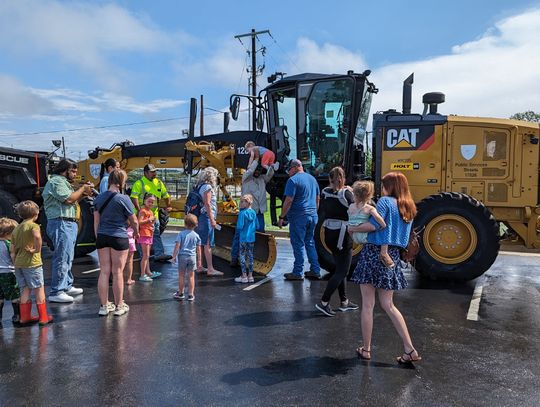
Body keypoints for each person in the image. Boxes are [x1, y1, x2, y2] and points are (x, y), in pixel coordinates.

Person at [349, 171, 421, 364]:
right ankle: (409, 348)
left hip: (374, 253)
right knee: (389, 305)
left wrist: (353, 228)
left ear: (391, 186)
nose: (381, 188)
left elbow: (375, 226)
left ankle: (366, 349)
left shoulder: (385, 203)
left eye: (383, 185)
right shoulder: (409, 207)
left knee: (368, 305)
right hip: (393, 256)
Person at [43, 158, 94, 303]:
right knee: (62, 257)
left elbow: (73, 199)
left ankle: (66, 285)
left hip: (68, 223)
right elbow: (69, 199)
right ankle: (57, 291)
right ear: (64, 170)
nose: (75, 174)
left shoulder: (64, 183)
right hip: (60, 223)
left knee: (68, 256)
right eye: (73, 171)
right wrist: (82, 189)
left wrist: (83, 193)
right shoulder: (56, 181)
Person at [94, 169, 139, 316]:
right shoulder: (123, 198)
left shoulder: (99, 198)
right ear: (121, 182)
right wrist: (136, 233)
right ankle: (119, 305)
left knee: (104, 271)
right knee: (117, 272)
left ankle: (104, 306)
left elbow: (96, 222)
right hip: (119, 236)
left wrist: (98, 237)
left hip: (102, 236)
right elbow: (134, 220)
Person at [314, 167, 359, 317]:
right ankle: (324, 302)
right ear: (343, 178)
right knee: (342, 271)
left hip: (328, 233)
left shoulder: (325, 191)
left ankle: (344, 302)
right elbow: (356, 208)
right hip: (343, 234)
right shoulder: (346, 193)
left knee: (339, 268)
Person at [278, 159, 322, 281]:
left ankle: (298, 272)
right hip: (312, 216)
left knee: (298, 244)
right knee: (310, 242)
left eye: (289, 169)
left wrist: (282, 216)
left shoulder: (293, 180)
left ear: (296, 167)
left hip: (299, 217)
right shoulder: (312, 179)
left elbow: (289, 200)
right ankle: (315, 270)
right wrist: (314, 212)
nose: (288, 172)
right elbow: (317, 198)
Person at [11, 201, 53, 326]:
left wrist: (15, 263)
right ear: (36, 213)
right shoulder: (34, 226)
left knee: (25, 289)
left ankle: (25, 317)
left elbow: (12, 251)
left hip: (19, 264)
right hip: (32, 263)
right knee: (39, 289)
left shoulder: (16, 229)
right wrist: (36, 249)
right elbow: (37, 237)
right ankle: (43, 317)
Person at [230, 158, 274, 267]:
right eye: (256, 169)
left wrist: (266, 165)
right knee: (239, 234)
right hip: (247, 211)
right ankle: (234, 257)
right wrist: (256, 158)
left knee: (260, 234)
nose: (257, 172)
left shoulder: (262, 180)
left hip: (259, 213)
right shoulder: (246, 179)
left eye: (259, 170)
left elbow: (270, 173)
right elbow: (250, 171)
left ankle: (255, 256)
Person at [130, 164, 172, 262]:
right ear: (145, 173)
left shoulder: (159, 183)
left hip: (154, 215)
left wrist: (168, 205)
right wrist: (139, 209)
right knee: (142, 235)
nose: (154, 173)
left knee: (155, 234)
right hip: (143, 215)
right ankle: (143, 255)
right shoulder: (139, 183)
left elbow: (166, 195)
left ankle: (159, 254)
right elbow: (134, 197)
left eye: (155, 171)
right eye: (152, 172)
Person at [348, 181, 392, 267]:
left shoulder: (351, 206)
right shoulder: (369, 208)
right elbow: (378, 218)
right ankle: (384, 253)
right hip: (364, 237)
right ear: (369, 196)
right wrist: (383, 225)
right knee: (383, 232)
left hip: (353, 235)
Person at [194, 167, 223, 276]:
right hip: (205, 217)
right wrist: (212, 220)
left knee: (200, 243)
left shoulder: (199, 186)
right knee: (207, 243)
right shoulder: (207, 187)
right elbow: (208, 204)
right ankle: (210, 269)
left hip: (199, 216)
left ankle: (200, 266)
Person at [171, 214, 201, 301]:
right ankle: (191, 295)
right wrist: (199, 260)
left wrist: (174, 257)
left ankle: (180, 293)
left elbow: (177, 246)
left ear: (185, 224)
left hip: (182, 257)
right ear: (196, 225)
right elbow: (198, 249)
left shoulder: (181, 234)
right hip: (192, 257)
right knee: (191, 276)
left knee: (181, 275)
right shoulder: (196, 236)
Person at [0, 217, 21, 325]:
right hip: (8, 273)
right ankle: (17, 315)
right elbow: (13, 257)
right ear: (7, 233)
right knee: (15, 294)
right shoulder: (8, 244)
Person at [137, 194, 161, 282]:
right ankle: (142, 274)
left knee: (147, 255)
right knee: (145, 255)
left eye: (152, 202)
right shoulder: (143, 211)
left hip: (149, 234)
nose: (151, 203)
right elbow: (139, 222)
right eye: (149, 201)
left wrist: (152, 221)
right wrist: (149, 219)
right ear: (144, 201)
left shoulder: (150, 211)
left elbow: (150, 222)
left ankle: (148, 272)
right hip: (144, 234)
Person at [234, 194, 257, 284]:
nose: (241, 203)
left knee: (242, 256)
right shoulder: (254, 213)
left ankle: (244, 276)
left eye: (243, 201)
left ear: (248, 203)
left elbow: (240, 226)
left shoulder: (242, 213)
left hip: (243, 238)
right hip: (251, 238)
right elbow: (257, 225)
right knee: (250, 256)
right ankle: (250, 276)